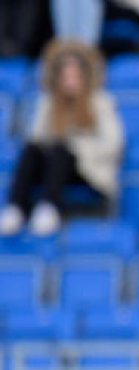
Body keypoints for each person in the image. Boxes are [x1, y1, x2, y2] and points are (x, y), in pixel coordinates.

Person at [1, 39, 121, 238]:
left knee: (62, 150)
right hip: (53, 165)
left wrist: (77, 146)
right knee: (32, 149)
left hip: (87, 170)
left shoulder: (101, 102)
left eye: (75, 75)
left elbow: (113, 144)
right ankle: (15, 208)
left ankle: (49, 206)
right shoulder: (48, 103)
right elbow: (37, 137)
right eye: (66, 76)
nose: (70, 81)